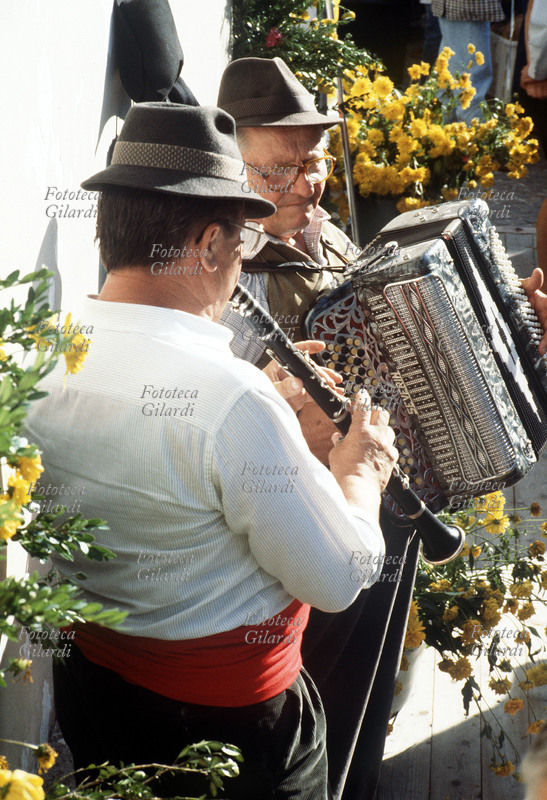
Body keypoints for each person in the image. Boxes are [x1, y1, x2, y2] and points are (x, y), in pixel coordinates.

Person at [24, 102, 400, 800]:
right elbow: (338, 577)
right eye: (239, 245)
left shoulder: (42, 353)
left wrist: (259, 417)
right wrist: (361, 472)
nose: (238, 266)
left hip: (92, 695)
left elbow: (161, 445)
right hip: (224, 738)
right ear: (204, 245)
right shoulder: (230, 400)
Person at [217, 56, 547, 800]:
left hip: (385, 512)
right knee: (323, 710)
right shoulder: (229, 273)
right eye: (279, 171)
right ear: (225, 166)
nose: (305, 184)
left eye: (315, 164)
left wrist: (515, 326)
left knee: (361, 704)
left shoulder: (320, 231)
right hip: (306, 539)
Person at [431, 0, 505, 120]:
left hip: (462, 7)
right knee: (464, 81)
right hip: (463, 7)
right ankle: (468, 134)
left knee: (454, 79)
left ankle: (452, 133)